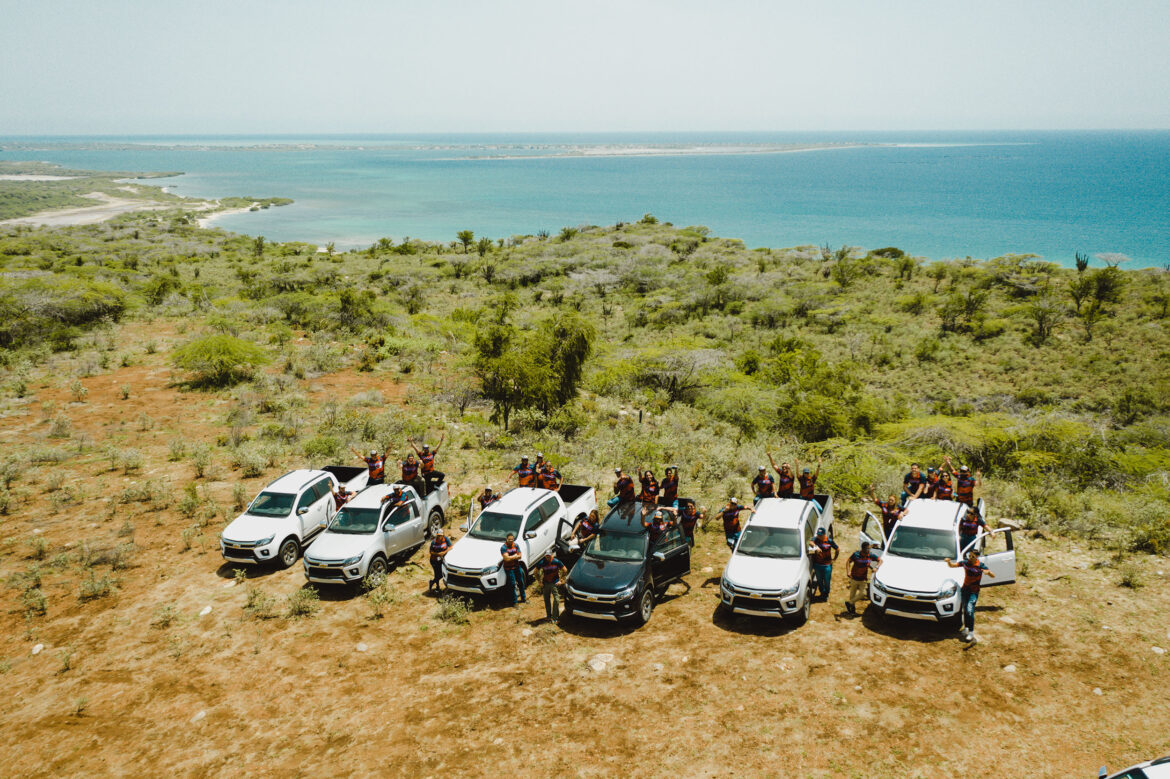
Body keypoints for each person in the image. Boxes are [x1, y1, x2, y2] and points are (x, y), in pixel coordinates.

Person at [945, 549, 995, 643]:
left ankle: (971, 632)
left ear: (977, 557)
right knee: (965, 609)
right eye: (969, 555)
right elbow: (953, 566)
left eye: (973, 556)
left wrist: (988, 573)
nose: (970, 558)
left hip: (974, 592)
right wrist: (948, 562)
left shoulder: (980, 566)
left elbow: (993, 575)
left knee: (969, 609)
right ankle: (966, 628)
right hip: (965, 590)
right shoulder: (965, 563)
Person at [844, 541, 880, 615]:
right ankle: (852, 611)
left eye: (869, 550)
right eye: (867, 550)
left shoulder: (870, 555)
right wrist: (848, 572)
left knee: (863, 594)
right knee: (852, 595)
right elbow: (848, 561)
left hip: (863, 579)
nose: (868, 551)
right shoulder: (856, 554)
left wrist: (876, 567)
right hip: (853, 578)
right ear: (863, 549)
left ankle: (849, 603)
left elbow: (880, 560)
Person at [808, 527, 839, 599]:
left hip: (827, 565)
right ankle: (822, 592)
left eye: (820, 535)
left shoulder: (829, 541)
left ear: (824, 534)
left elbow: (837, 549)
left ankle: (826, 593)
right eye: (818, 534)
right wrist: (816, 547)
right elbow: (810, 542)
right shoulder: (815, 539)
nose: (819, 536)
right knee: (819, 580)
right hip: (817, 565)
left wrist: (834, 559)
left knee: (827, 581)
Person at [537, 551, 567, 620]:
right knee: (546, 600)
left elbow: (565, 570)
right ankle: (548, 616)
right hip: (545, 583)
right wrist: (539, 581)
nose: (548, 557)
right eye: (546, 555)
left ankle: (555, 617)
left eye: (549, 555)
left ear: (552, 555)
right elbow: (536, 571)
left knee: (556, 599)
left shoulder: (556, 561)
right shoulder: (542, 562)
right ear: (545, 556)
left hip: (555, 583)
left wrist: (561, 580)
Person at [500, 533, 526, 606]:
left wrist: (511, 557)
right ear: (506, 539)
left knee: (521, 582)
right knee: (512, 585)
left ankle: (524, 599)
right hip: (509, 569)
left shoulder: (516, 545)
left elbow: (520, 556)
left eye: (512, 539)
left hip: (517, 567)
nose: (511, 541)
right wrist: (515, 556)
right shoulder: (503, 548)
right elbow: (506, 559)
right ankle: (515, 602)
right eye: (509, 539)